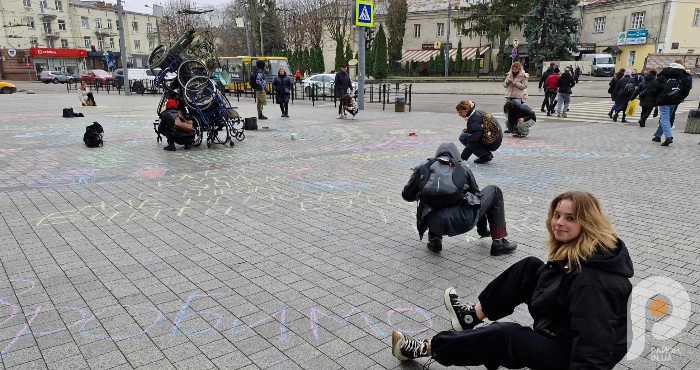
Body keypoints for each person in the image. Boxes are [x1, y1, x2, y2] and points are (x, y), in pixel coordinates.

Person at [391, 191, 633, 370]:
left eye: (570, 218)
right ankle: (470, 316)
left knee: (505, 336)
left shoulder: (593, 282)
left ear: (587, 223)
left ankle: (426, 347)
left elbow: (595, 348)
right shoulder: (581, 251)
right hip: (566, 324)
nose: (559, 223)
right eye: (557, 215)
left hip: (572, 354)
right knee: (530, 268)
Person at [402, 142, 517, 255]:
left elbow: (406, 195)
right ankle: (499, 242)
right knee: (494, 191)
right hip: (463, 221)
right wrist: (482, 230)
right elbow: (477, 198)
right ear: (455, 155)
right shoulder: (463, 168)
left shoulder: (424, 167)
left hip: (433, 223)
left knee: (427, 197)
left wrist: (422, 192)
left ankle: (434, 240)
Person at [648, 60, 692, 146]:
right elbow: (687, 88)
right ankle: (658, 135)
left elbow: (655, 87)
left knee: (664, 117)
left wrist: (656, 98)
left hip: (664, 99)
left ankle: (668, 137)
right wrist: (681, 97)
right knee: (666, 117)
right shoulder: (684, 75)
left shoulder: (664, 73)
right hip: (675, 99)